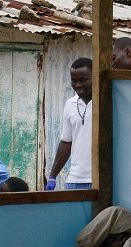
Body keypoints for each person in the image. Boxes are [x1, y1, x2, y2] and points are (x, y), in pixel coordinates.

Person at [46, 58, 93, 191]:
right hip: (75, 181)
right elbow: (66, 141)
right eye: (74, 80)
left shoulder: (107, 101)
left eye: (83, 80)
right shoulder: (70, 104)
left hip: (101, 179)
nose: (77, 85)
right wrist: (52, 176)